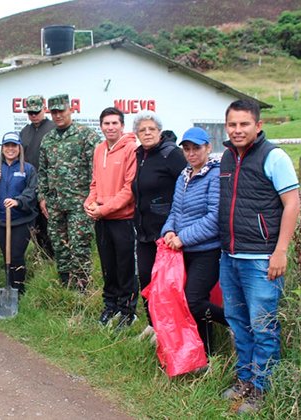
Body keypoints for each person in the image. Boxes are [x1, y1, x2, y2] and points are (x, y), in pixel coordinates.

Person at [218, 100, 300, 414]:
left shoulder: (274, 156)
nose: (238, 130)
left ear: (258, 126)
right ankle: (245, 380)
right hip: (230, 257)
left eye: (244, 124)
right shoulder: (226, 157)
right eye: (232, 125)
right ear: (227, 127)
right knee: (238, 323)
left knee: (263, 326)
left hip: (261, 259)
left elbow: (292, 204)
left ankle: (262, 390)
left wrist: (280, 251)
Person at [160, 127, 227, 355]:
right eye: (187, 149)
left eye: (196, 148)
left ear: (208, 148)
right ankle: (206, 355)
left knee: (194, 301)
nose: (191, 153)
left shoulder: (215, 175)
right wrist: (168, 230)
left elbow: (215, 217)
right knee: (191, 303)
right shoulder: (183, 175)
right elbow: (175, 211)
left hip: (207, 251)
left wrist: (183, 238)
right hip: (183, 251)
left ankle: (235, 324)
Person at [132, 112, 187, 341]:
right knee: (145, 278)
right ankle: (153, 324)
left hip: (166, 232)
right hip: (144, 231)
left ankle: (168, 329)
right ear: (137, 133)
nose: (147, 133)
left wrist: (177, 224)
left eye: (151, 129)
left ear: (159, 132)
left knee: (165, 283)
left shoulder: (171, 154)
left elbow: (186, 184)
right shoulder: (139, 155)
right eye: (142, 130)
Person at [38, 94, 100, 291]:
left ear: (70, 109)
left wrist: (94, 198)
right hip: (55, 203)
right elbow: (43, 171)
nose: (57, 116)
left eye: (61, 111)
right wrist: (42, 197)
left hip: (79, 203)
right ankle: (66, 286)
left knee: (79, 245)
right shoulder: (48, 139)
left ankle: (83, 288)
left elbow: (98, 169)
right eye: (53, 112)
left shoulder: (86, 136)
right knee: (59, 245)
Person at [84, 107, 138, 328]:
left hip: (123, 219)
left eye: (115, 123)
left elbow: (129, 189)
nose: (110, 127)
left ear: (122, 125)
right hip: (102, 219)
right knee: (108, 266)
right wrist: (89, 203)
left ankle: (128, 312)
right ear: (101, 126)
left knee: (125, 268)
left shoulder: (131, 149)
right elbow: (95, 183)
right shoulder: (99, 150)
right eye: (106, 124)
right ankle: (111, 306)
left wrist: (104, 209)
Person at [0, 132, 38, 295]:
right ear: (2, 148)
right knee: (7, 256)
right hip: (0, 220)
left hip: (21, 221)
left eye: (14, 146)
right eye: (7, 146)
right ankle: (9, 288)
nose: (10, 149)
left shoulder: (28, 169)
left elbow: (32, 192)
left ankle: (19, 289)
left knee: (17, 255)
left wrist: (18, 201)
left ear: (19, 148)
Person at [19, 94, 56, 259]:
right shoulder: (24, 132)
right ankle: (41, 257)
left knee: (49, 225)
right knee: (33, 226)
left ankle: (53, 259)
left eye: (36, 112)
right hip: (29, 188)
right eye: (30, 113)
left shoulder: (54, 128)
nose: (33, 115)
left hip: (49, 188)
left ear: (44, 109)